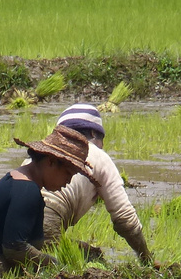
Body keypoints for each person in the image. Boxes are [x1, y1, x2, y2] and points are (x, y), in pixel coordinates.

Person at [30, 104, 153, 265]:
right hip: (49, 217)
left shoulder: (44, 152)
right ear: (94, 133)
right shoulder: (97, 155)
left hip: (19, 216)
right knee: (56, 269)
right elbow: (124, 218)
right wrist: (146, 258)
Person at [0, 125, 92, 272]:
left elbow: (30, 242)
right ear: (50, 162)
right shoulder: (27, 190)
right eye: (68, 174)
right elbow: (14, 248)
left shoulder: (16, 179)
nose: (68, 182)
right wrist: (56, 265)